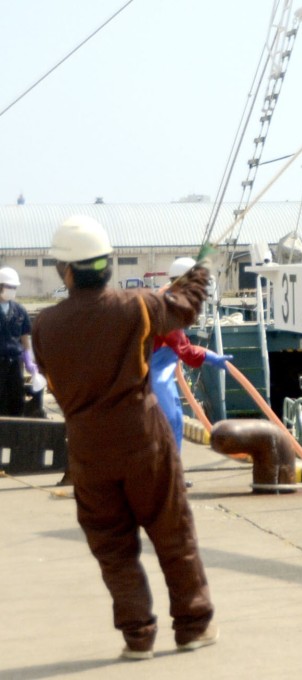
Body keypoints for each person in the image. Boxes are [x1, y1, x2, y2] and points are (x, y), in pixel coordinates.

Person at [31, 215, 218, 660]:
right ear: (109, 265)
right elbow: (184, 307)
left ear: (66, 271)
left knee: (112, 547)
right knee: (173, 534)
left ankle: (137, 637)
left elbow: (55, 382)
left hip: (88, 450)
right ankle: (192, 626)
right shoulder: (135, 306)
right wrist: (199, 275)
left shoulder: (44, 326)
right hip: (144, 439)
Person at [150, 256, 232, 455]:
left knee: (173, 419)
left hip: (155, 372)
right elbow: (184, 350)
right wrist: (209, 357)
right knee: (168, 422)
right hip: (153, 376)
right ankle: (165, 476)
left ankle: (169, 473)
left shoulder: (166, 298)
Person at [0, 266, 38, 415]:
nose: (12, 290)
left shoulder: (19, 310)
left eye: (14, 287)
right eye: (9, 287)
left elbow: (24, 338)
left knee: (16, 401)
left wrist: (29, 360)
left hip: (15, 363)